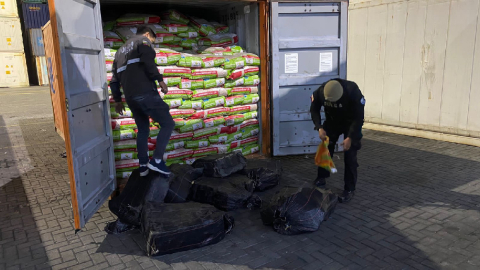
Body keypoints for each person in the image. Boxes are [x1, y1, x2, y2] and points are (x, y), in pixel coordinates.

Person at [110, 26, 174, 177]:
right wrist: (160, 80)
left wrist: (118, 100)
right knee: (168, 123)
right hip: (145, 93)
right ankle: (157, 161)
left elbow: (114, 80)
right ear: (147, 34)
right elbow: (147, 61)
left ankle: (143, 166)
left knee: (143, 129)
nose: (152, 43)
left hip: (131, 98)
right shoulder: (143, 42)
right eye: (153, 40)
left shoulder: (119, 52)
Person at [310, 79, 365, 203]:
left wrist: (350, 137)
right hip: (332, 121)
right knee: (325, 148)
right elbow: (314, 109)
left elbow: (359, 118)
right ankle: (321, 177)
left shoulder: (353, 91)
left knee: (350, 155)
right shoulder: (321, 91)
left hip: (351, 123)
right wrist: (319, 127)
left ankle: (349, 189)